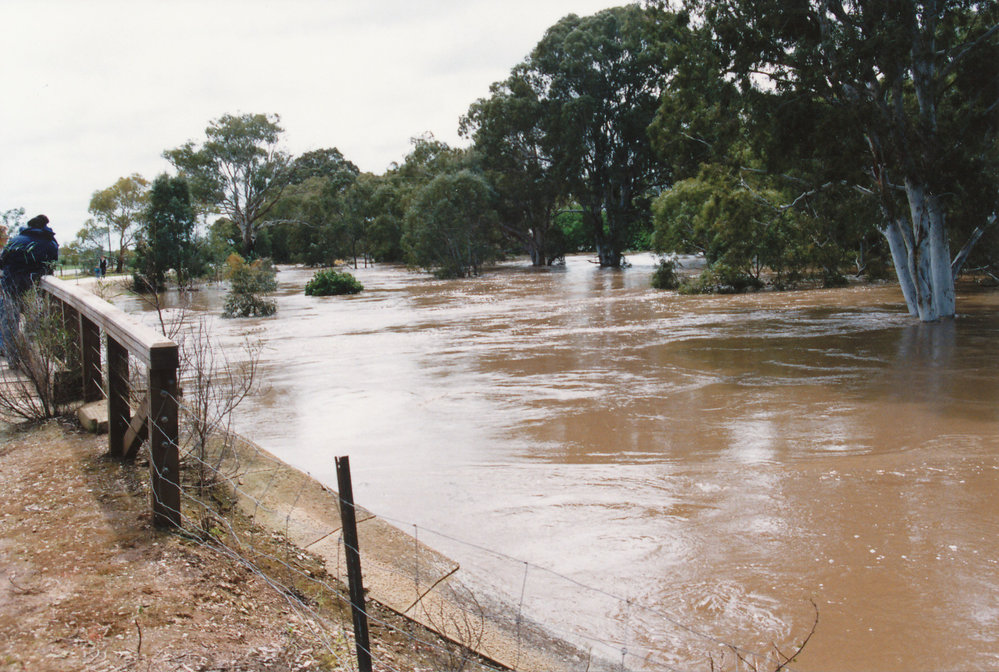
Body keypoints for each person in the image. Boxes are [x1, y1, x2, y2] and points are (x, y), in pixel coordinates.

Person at [0, 214, 59, 355]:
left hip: (10, 287)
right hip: (34, 288)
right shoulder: (50, 243)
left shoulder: (15, 240)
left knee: (9, 324)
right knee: (33, 322)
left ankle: (11, 357)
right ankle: (31, 355)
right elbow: (51, 265)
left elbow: (2, 262)